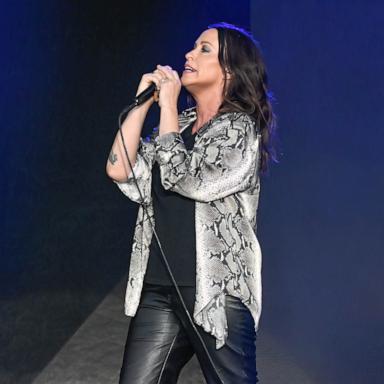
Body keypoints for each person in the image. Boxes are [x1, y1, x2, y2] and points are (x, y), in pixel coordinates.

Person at [106, 22, 276, 384]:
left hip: (218, 292)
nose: (188, 54)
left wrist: (166, 105)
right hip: (159, 287)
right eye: (192, 46)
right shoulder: (178, 125)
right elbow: (121, 171)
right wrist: (142, 103)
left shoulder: (239, 129)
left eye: (203, 49)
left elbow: (189, 178)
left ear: (229, 71)